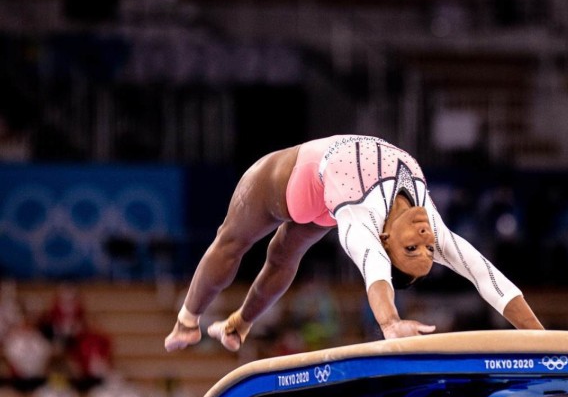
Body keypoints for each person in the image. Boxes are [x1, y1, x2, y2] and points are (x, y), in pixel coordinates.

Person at [164, 135, 544, 353]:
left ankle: (238, 324)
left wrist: (389, 322)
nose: (427, 241)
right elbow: (485, 274)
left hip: (306, 192)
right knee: (232, 242)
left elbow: (375, 272)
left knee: (281, 257)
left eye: (414, 250)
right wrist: (540, 336)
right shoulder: (431, 223)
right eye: (427, 250)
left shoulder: (361, 224)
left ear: (384, 241)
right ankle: (188, 321)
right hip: (297, 181)